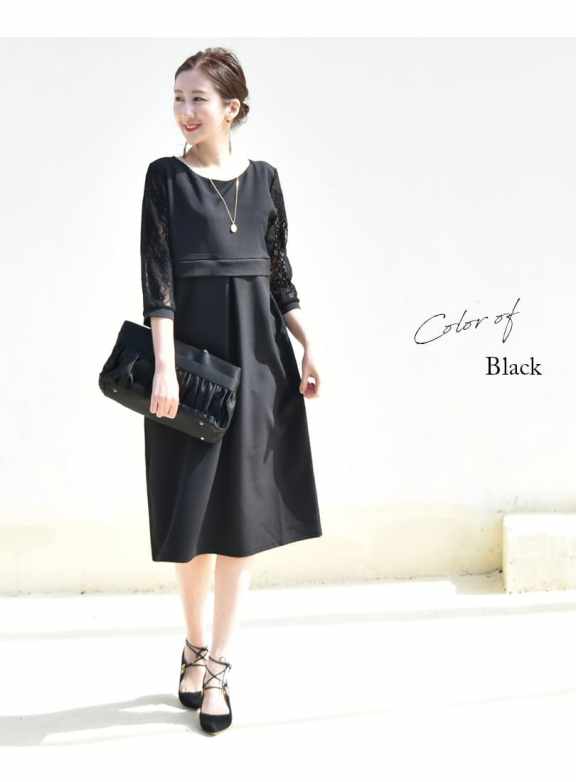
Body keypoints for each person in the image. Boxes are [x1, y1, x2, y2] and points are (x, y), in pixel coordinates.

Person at [140, 46, 323, 734]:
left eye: (198, 99)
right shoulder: (165, 179)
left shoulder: (266, 179)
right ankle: (192, 646)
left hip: (259, 362)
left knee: (241, 520)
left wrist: (307, 341)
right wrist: (163, 367)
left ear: (231, 108)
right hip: (189, 365)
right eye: (178, 98)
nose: (185, 111)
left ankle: (218, 665)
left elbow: (278, 275)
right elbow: (157, 278)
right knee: (190, 520)